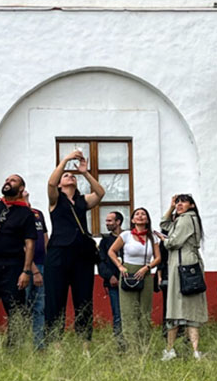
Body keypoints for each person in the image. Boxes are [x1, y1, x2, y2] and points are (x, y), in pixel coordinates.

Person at [44, 150, 105, 348]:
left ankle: (85, 344)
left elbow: (100, 193)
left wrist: (85, 172)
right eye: (66, 176)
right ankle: (55, 345)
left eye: (72, 176)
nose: (70, 176)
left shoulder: (82, 201)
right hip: (58, 253)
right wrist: (66, 160)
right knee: (55, 300)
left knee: (84, 299)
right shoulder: (55, 199)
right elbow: (51, 184)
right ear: (62, 183)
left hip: (82, 255)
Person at [0, 174, 37, 343]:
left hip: (13, 267)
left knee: (16, 311)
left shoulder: (26, 213)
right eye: (6, 180)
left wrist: (26, 271)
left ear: (21, 188)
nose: (7, 182)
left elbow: (30, 244)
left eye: (13, 181)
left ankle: (14, 350)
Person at [161, 194, 208, 361]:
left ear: (192, 205)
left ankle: (170, 349)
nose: (179, 204)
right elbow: (165, 224)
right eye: (178, 201)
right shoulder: (185, 219)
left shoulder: (186, 219)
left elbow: (173, 242)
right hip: (190, 263)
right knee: (191, 307)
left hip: (182, 265)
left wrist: (164, 240)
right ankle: (195, 351)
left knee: (176, 306)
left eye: (183, 202)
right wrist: (171, 207)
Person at [108, 208, 160, 350]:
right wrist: (120, 266)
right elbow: (111, 251)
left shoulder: (152, 237)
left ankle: (144, 346)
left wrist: (147, 268)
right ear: (132, 220)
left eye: (143, 214)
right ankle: (132, 347)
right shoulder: (126, 235)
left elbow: (158, 257)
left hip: (145, 273)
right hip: (128, 273)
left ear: (147, 219)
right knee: (128, 310)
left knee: (144, 310)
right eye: (137, 214)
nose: (140, 216)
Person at [26, 194, 48, 350]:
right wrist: (33, 271)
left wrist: (48, 262)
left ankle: (39, 344)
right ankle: (21, 343)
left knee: (40, 306)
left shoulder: (38, 213)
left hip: (43, 264)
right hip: (26, 268)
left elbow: (45, 238)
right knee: (24, 305)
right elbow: (23, 245)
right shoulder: (19, 215)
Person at [98, 211, 124, 341]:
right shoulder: (105, 241)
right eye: (106, 221)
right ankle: (120, 342)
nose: (106, 223)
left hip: (130, 281)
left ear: (118, 222)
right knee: (117, 314)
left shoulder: (128, 237)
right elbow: (101, 262)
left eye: (109, 221)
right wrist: (110, 277)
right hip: (113, 284)